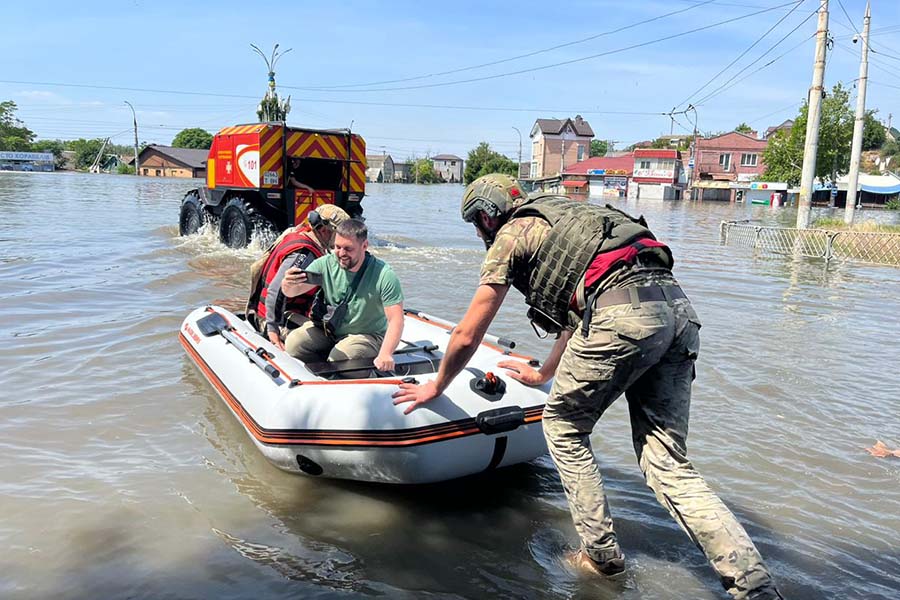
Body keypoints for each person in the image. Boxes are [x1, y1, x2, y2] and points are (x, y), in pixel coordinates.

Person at [392, 174, 782, 600]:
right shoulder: (577, 217)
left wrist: (436, 386)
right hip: (678, 314)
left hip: (622, 316)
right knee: (667, 463)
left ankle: (600, 557)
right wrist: (543, 375)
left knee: (563, 426)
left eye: (477, 225)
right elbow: (578, 312)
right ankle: (752, 581)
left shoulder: (513, 232)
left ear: (486, 215)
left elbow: (468, 333)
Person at [282, 218, 404, 372]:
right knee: (294, 344)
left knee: (341, 358)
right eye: (337, 247)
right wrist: (287, 284)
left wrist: (386, 354)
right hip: (331, 330)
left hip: (368, 335)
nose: (341, 253)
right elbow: (292, 292)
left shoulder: (384, 275)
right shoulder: (325, 264)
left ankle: (353, 371)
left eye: (348, 249)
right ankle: (322, 371)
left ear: (364, 246)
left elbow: (396, 319)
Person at [246, 204, 350, 350]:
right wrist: (272, 331)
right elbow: (275, 289)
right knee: (330, 340)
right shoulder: (304, 253)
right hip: (276, 319)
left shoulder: (302, 235)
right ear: (323, 230)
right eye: (339, 235)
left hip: (283, 314)